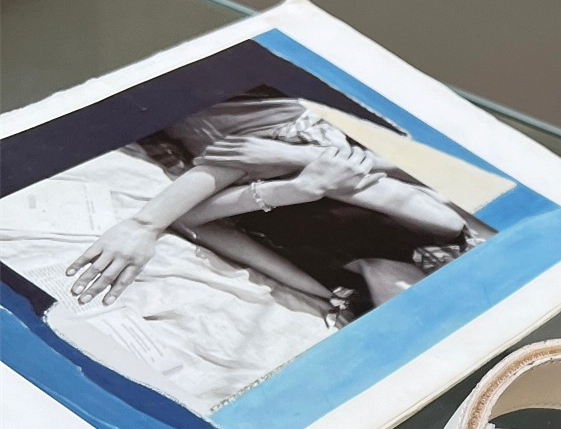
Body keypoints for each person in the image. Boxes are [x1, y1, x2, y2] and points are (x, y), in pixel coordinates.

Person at [65, 92, 484, 312]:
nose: (402, 299)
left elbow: (197, 223)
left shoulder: (326, 286)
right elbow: (346, 167)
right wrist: (289, 160)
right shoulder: (439, 230)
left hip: (200, 153)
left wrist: (293, 191)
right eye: (422, 302)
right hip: (269, 120)